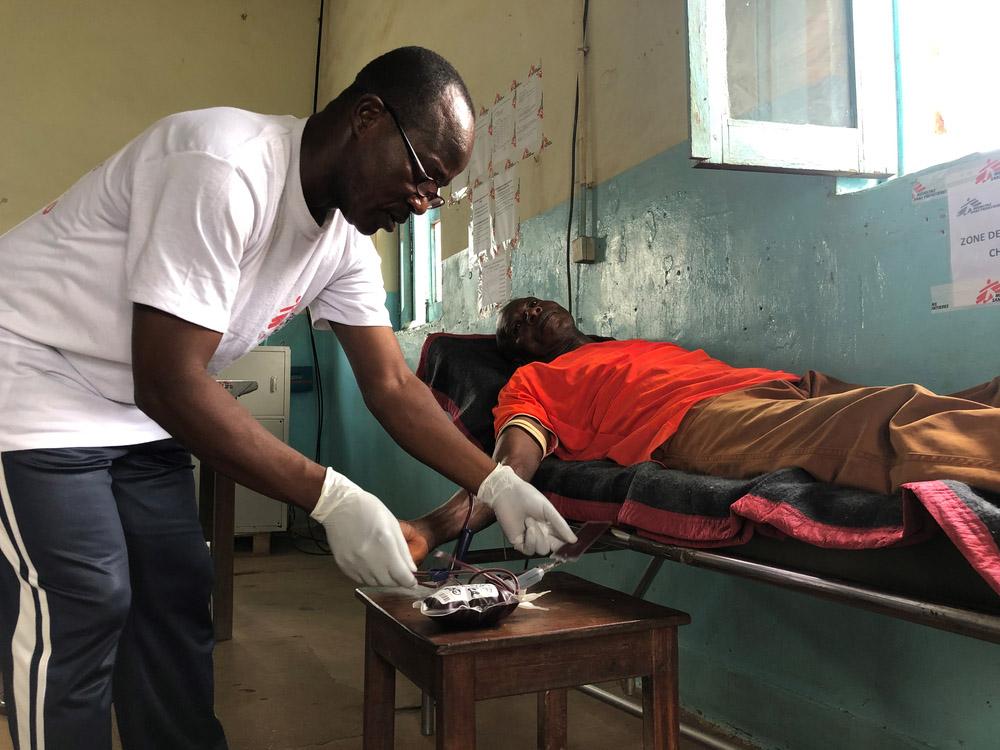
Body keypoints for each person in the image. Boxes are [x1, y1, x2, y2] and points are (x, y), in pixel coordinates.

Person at [0, 50, 574, 750]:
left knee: (176, 593)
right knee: (84, 599)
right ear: (367, 118)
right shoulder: (224, 167)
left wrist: (494, 480)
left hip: (131, 403)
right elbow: (171, 379)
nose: (422, 204)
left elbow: (391, 386)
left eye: (439, 192)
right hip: (28, 371)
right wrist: (331, 498)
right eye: (422, 175)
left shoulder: (343, 242)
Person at [401, 296, 1000, 563]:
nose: (529, 314)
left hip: (778, 385)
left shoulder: (634, 344)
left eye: (532, 304)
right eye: (515, 326)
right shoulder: (533, 381)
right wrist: (432, 528)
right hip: (699, 423)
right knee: (885, 420)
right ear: (514, 354)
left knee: (963, 400)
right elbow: (509, 468)